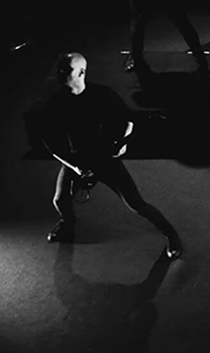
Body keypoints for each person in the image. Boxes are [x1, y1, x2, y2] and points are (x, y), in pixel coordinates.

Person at [40, 52, 183, 260]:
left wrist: (122, 144)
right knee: (60, 200)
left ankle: (171, 235)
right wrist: (74, 166)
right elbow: (51, 144)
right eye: (60, 69)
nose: (60, 73)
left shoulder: (101, 94)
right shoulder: (56, 102)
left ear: (81, 73)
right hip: (77, 159)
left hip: (105, 159)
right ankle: (67, 223)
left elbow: (129, 121)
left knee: (136, 204)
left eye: (67, 69)